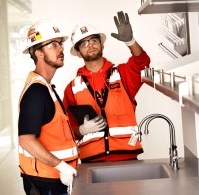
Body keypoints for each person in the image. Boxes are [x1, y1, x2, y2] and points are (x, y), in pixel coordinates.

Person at [63, 11, 151, 163]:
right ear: (78, 53)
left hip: (127, 158)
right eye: (83, 44)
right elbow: (68, 130)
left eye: (93, 41)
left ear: (102, 45)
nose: (90, 45)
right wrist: (81, 130)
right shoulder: (72, 89)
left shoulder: (123, 74)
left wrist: (130, 41)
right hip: (91, 162)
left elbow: (143, 63)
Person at [18, 20, 79, 195]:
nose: (60, 49)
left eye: (60, 44)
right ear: (39, 53)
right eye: (53, 45)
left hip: (54, 180)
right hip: (46, 183)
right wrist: (61, 166)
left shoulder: (46, 88)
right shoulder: (37, 91)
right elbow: (26, 140)